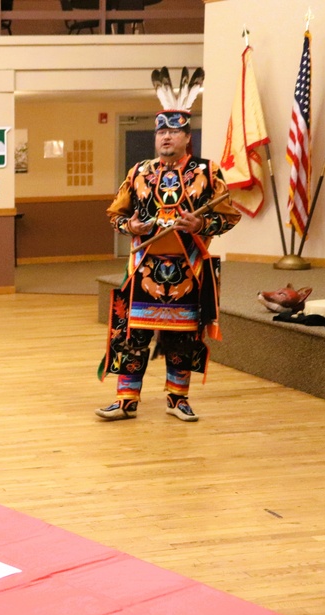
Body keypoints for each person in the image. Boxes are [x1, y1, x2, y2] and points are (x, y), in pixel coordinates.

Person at [96, 70, 241, 423]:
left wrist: (202, 224)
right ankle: (126, 398)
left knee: (183, 339)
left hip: (188, 270)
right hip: (145, 266)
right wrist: (131, 225)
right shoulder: (139, 173)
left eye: (173, 131)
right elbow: (115, 214)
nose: (165, 137)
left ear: (187, 137)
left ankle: (178, 398)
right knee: (133, 334)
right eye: (161, 131)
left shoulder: (208, 172)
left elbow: (230, 215)